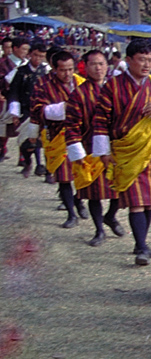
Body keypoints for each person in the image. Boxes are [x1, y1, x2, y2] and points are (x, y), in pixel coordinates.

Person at [91, 38, 151, 266]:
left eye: (150, 60)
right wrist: (103, 151)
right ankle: (142, 246)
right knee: (135, 199)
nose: (146, 65)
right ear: (128, 61)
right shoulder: (112, 87)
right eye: (141, 60)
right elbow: (100, 119)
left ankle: (140, 242)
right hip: (125, 150)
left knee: (148, 201)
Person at [65, 49, 123, 246]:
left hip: (115, 149)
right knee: (93, 194)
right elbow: (71, 125)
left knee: (119, 190)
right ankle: (99, 230)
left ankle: (111, 216)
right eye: (93, 64)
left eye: (101, 63)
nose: (98, 68)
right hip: (90, 149)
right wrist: (76, 150)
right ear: (86, 67)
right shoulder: (79, 94)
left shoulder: (116, 89)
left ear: (107, 66)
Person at [29, 50, 85, 228]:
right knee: (63, 176)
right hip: (57, 136)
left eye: (70, 69)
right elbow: (37, 109)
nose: (67, 74)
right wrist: (63, 109)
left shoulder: (81, 82)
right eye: (63, 70)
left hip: (80, 134)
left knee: (82, 173)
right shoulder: (44, 84)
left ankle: (80, 201)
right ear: (54, 69)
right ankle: (71, 213)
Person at [8, 41, 49, 178]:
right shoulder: (21, 72)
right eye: (36, 55)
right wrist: (14, 113)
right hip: (26, 109)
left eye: (41, 56)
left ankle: (44, 167)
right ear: (30, 54)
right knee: (27, 140)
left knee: (43, 139)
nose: (38, 59)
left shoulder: (46, 72)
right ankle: (28, 161)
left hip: (43, 109)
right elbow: (14, 92)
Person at [0, 36, 29, 162]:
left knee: (24, 127)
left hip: (23, 99)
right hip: (6, 98)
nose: (25, 52)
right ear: (15, 48)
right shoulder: (3, 63)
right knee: (3, 126)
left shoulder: (27, 63)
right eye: (23, 49)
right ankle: (2, 148)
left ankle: (22, 155)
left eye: (27, 50)